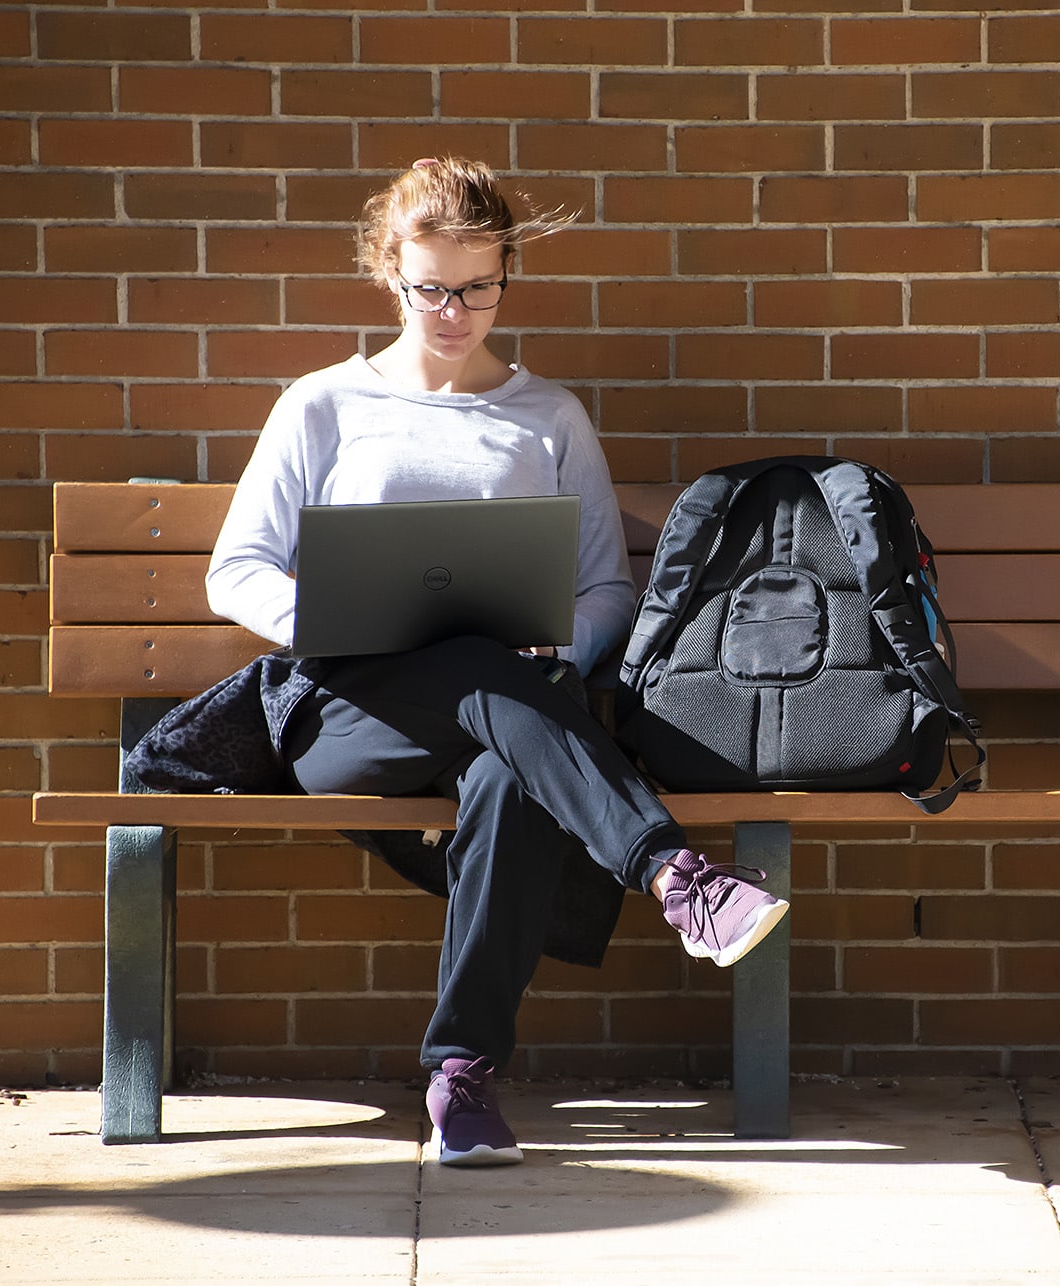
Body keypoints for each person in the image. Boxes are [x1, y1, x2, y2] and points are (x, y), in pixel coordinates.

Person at [203, 156, 788, 1168]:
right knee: (474, 666)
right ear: (389, 271)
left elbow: (609, 590)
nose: (452, 311)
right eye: (430, 286)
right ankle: (675, 873)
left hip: (502, 713)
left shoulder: (547, 414)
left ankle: (461, 1077)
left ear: (506, 276)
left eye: (477, 287)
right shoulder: (323, 405)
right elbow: (236, 570)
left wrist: (560, 642)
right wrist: (332, 619)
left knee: (512, 778)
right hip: (349, 713)